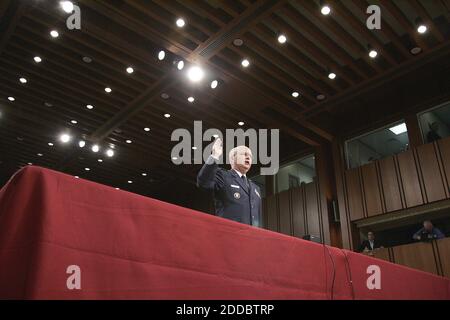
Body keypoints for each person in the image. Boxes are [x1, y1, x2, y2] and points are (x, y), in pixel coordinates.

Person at [197, 138, 262, 227]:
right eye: (244, 154)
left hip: (252, 237)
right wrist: (214, 156)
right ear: (232, 158)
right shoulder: (223, 175)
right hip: (229, 234)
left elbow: (257, 218)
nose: (248, 157)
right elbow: (204, 182)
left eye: (250, 156)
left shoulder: (256, 188)